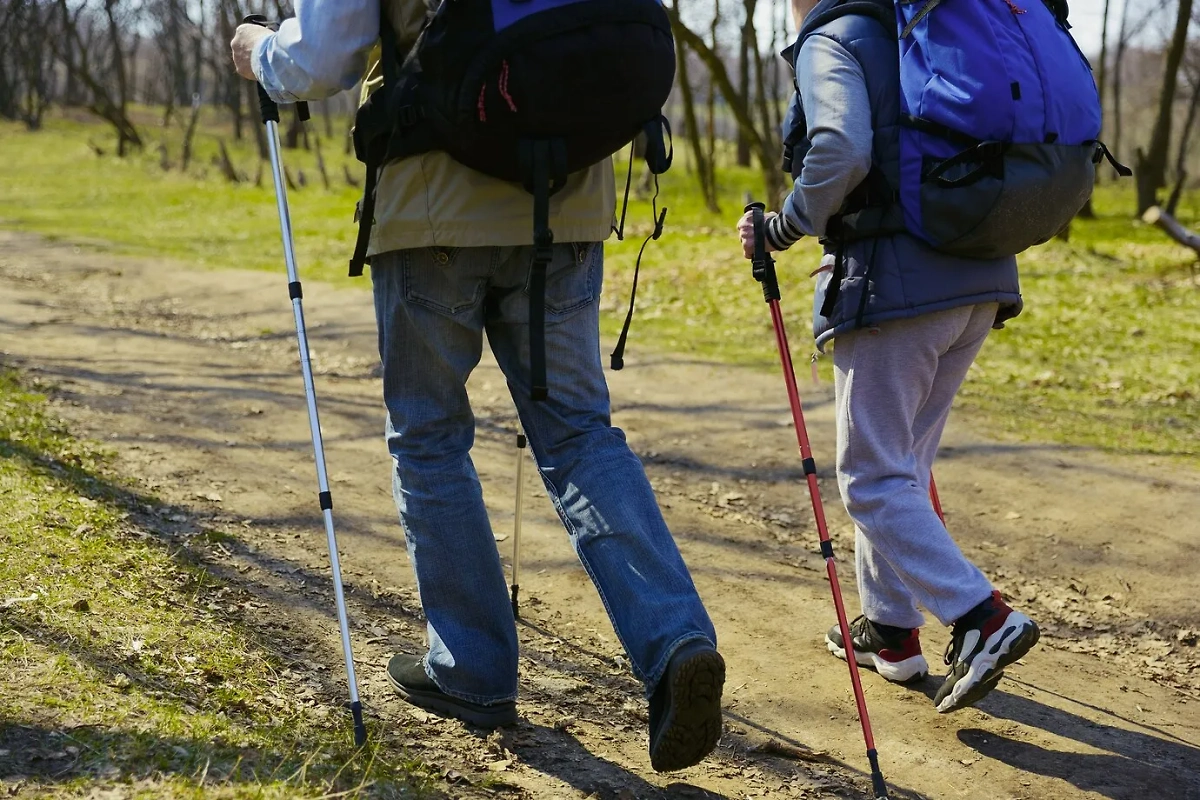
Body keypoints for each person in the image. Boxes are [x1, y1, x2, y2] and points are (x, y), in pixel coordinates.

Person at [231, 0, 725, 771]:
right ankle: (676, 644)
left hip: (433, 204)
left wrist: (261, 51)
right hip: (568, 193)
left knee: (428, 435)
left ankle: (473, 672)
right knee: (578, 434)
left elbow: (320, 59)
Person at [737, 0, 1040, 713]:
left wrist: (782, 228)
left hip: (899, 292)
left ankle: (980, 616)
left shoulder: (833, 37)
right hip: (981, 278)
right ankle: (892, 634)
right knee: (902, 466)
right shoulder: (926, 32)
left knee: (871, 479)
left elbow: (841, 148)